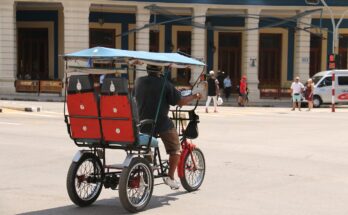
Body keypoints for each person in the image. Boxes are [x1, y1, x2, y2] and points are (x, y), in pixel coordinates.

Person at [134, 64, 200, 190]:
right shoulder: (164, 83)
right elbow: (179, 101)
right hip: (160, 121)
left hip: (143, 121)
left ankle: (146, 170)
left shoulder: (139, 81)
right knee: (176, 149)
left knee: (146, 148)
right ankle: (170, 177)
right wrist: (194, 96)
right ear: (160, 70)